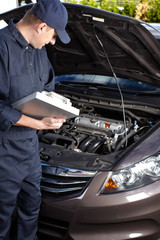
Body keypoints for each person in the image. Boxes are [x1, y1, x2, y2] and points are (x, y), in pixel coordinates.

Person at [0, 0, 70, 239]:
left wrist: (59, 106)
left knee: (30, 210)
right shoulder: (1, 47)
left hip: (30, 149)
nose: (53, 41)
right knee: (2, 215)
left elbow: (48, 87)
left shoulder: (40, 52)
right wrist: (39, 124)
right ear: (41, 26)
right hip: (3, 151)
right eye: (53, 35)